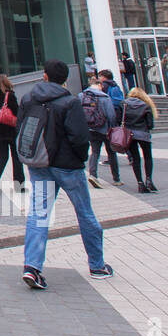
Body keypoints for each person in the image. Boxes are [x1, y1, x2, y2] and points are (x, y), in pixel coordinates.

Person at [19, 59, 113, 291]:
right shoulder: (70, 102)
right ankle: (97, 265)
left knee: (38, 214)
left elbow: (21, 128)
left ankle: (32, 267)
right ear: (64, 79)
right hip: (67, 166)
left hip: (38, 163)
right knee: (84, 212)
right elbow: (80, 138)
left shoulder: (28, 99)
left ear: (45, 76)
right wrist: (80, 160)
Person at [80, 75, 119, 188]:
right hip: (105, 129)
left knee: (95, 152)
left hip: (90, 129)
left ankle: (93, 175)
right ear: (99, 85)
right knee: (111, 152)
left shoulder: (81, 96)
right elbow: (111, 115)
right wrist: (113, 128)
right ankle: (116, 178)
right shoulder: (104, 97)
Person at [121, 87, 158, 192]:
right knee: (147, 157)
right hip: (143, 134)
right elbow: (150, 124)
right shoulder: (146, 105)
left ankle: (140, 183)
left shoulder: (123, 104)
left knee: (135, 158)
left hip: (130, 134)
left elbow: (119, 119)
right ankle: (149, 180)